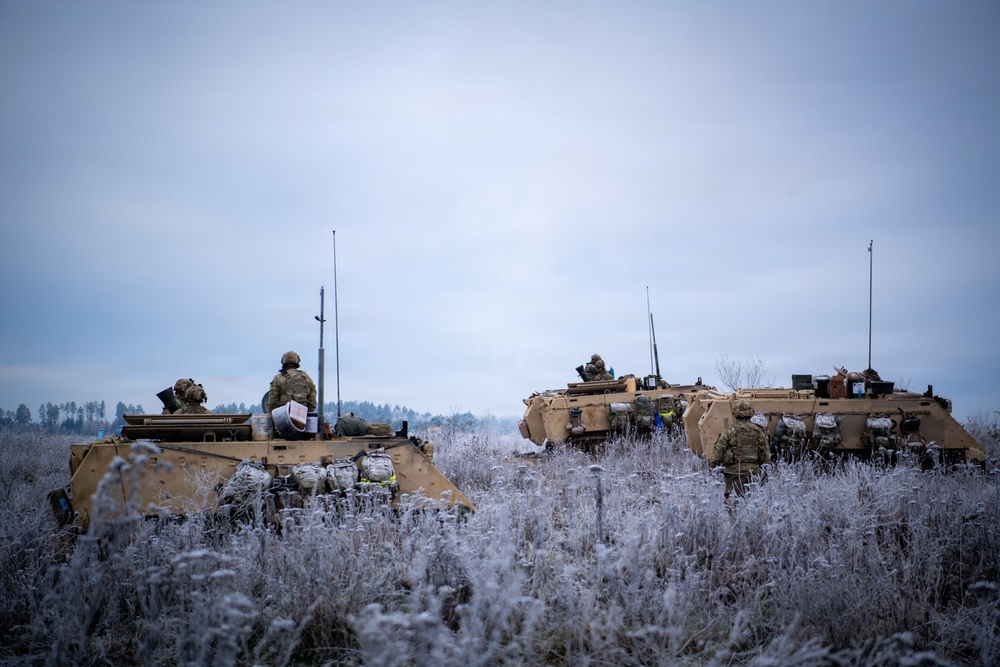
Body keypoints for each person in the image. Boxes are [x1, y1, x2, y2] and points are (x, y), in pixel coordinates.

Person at [709, 399, 771, 500]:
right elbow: (766, 454)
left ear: (736, 414)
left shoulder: (729, 431)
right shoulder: (759, 432)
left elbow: (718, 451)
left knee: (732, 502)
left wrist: (713, 468)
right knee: (752, 500)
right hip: (753, 472)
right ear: (751, 413)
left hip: (734, 473)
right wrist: (765, 473)